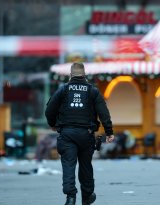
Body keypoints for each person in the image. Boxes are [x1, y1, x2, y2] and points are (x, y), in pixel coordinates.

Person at [45, 62, 114, 205]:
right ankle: (87, 196)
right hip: (86, 135)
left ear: (71, 75)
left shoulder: (63, 90)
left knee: (68, 165)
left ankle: (70, 197)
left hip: (67, 134)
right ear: (84, 75)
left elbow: (49, 110)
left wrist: (53, 124)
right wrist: (109, 131)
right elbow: (103, 112)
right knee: (85, 166)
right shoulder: (92, 91)